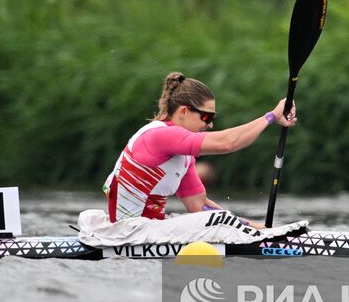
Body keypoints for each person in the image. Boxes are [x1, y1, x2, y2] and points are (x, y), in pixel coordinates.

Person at [102, 72, 297, 225]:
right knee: (210, 225)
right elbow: (227, 143)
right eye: (207, 117)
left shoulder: (183, 156)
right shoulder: (160, 135)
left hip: (148, 230)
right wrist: (271, 117)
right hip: (126, 234)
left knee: (212, 222)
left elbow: (199, 206)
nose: (210, 124)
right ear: (184, 111)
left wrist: (256, 229)